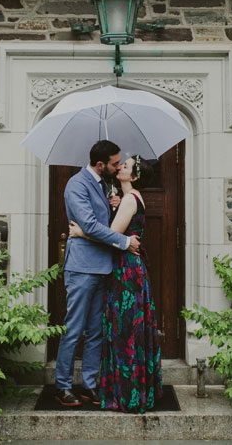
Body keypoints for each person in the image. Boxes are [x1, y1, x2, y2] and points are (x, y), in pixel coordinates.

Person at [69, 154, 163, 413]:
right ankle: (131, 391)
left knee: (125, 333)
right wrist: (114, 206)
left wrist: (81, 232)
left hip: (126, 273)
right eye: (121, 163)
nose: (120, 166)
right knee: (127, 331)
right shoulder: (128, 199)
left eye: (126, 165)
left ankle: (127, 395)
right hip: (130, 270)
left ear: (133, 176)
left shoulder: (130, 199)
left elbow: (112, 235)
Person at [55, 140, 141, 408]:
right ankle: (63, 386)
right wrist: (125, 242)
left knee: (95, 332)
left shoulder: (105, 185)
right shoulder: (76, 184)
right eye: (115, 163)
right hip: (81, 268)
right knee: (74, 329)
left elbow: (103, 221)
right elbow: (90, 225)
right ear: (100, 164)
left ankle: (90, 385)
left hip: (103, 266)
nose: (118, 167)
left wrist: (113, 203)